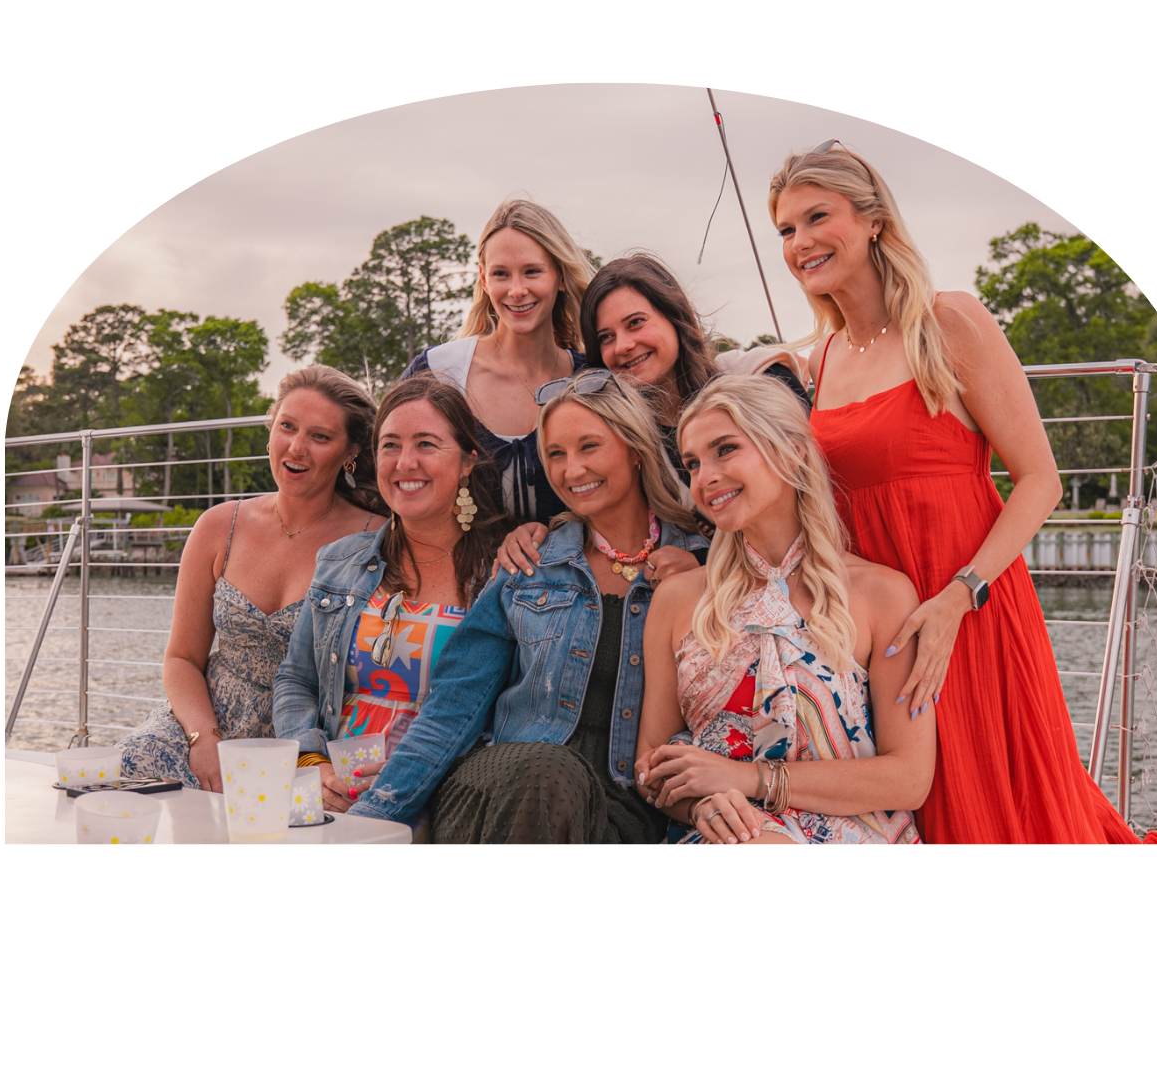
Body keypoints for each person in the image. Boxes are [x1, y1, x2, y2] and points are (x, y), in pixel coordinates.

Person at [769, 138, 1157, 856]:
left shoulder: (947, 321)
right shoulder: (818, 359)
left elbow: (1040, 480)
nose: (799, 242)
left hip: (967, 603)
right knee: (914, 807)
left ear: (873, 221)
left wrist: (960, 596)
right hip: (879, 623)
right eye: (786, 230)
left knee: (995, 796)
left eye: (815, 217)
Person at [339, 371, 709, 846]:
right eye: (556, 454)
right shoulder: (530, 563)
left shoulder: (703, 567)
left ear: (635, 448)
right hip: (500, 786)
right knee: (545, 772)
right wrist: (371, 816)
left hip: (622, 808)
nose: (572, 470)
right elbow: (455, 703)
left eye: (589, 447)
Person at [635, 375, 933, 855]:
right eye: (692, 464)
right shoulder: (677, 599)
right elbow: (651, 765)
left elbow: (909, 777)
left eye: (725, 449)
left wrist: (745, 778)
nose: (704, 478)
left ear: (793, 450)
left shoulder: (883, 595)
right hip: (722, 837)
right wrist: (699, 807)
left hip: (857, 838)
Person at [117, 366, 385, 791]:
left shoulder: (376, 538)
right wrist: (202, 740)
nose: (296, 448)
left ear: (350, 452)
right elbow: (182, 658)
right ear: (270, 431)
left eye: (320, 437)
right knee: (136, 764)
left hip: (306, 736)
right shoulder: (219, 525)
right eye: (287, 427)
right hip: (205, 721)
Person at [272, 375, 510, 820]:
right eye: (390, 445)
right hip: (327, 794)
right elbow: (296, 679)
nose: (405, 463)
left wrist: (383, 799)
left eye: (426, 444)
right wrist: (309, 763)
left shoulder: (501, 572)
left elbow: (476, 715)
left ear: (466, 462)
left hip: (436, 796)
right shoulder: (339, 562)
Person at [497, 253, 812, 581]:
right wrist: (528, 534)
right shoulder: (622, 438)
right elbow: (591, 506)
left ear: (674, 318)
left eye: (635, 323)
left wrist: (706, 565)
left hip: (814, 574)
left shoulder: (755, 379)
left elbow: (819, 487)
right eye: (606, 337)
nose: (623, 345)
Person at [400, 198, 594, 524]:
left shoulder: (594, 379)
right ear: (484, 279)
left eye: (532, 272)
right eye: (501, 274)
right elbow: (383, 469)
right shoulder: (438, 372)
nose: (517, 290)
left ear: (560, 276)